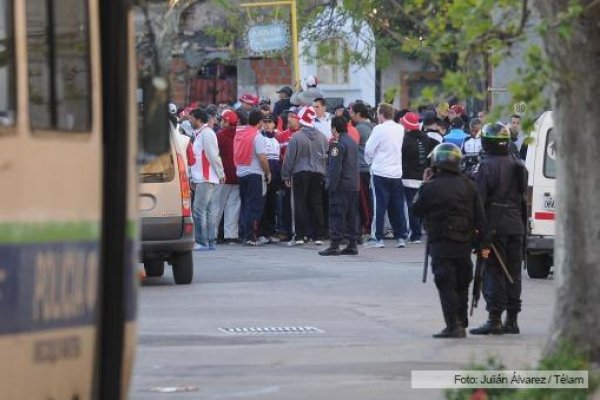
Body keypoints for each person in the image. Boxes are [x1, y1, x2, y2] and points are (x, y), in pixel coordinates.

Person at [410, 143, 486, 338]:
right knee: (461, 283)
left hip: (441, 243)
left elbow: (416, 209)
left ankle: (454, 325)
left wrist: (424, 184)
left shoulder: (431, 186)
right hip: (464, 243)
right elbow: (480, 216)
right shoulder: (469, 184)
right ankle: (460, 319)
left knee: (446, 284)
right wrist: (483, 242)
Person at [470, 123, 528, 336]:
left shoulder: (487, 165)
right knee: (513, 273)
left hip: (495, 226)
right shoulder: (517, 163)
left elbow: (479, 199)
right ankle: (512, 319)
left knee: (494, 271)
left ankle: (495, 318)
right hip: (516, 225)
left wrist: (479, 230)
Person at [281, 106, 329, 245]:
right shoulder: (322, 137)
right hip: (318, 173)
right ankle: (318, 235)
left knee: (299, 203)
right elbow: (325, 157)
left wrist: (285, 175)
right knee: (316, 204)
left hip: (300, 173)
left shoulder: (296, 137)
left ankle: (300, 235)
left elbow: (289, 158)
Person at [364, 103, 409, 249]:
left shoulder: (379, 128)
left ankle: (378, 238)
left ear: (381, 114)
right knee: (397, 206)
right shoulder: (400, 128)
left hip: (380, 171)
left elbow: (369, 149)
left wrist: (370, 162)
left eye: (378, 113)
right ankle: (400, 236)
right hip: (396, 172)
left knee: (379, 206)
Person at [319, 116, 360, 256]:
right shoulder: (352, 142)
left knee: (336, 214)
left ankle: (335, 244)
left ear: (334, 128)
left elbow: (335, 168)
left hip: (340, 185)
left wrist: (330, 184)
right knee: (351, 215)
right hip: (353, 184)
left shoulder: (337, 143)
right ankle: (352, 243)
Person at [189, 108, 226, 251]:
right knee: (209, 210)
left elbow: (213, 155)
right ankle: (210, 241)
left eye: (191, 118)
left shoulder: (207, 134)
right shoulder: (199, 134)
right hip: (202, 177)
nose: (189, 121)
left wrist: (220, 173)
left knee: (199, 210)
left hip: (206, 177)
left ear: (199, 119)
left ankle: (202, 241)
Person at [234, 110, 271, 246]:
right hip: (255, 173)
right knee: (254, 206)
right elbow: (262, 158)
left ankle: (244, 234)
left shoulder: (240, 133)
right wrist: (268, 173)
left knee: (245, 205)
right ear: (260, 122)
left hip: (241, 172)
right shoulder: (257, 136)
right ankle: (251, 236)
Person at [400, 112, 437, 244]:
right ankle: (418, 231)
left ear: (406, 126)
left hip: (408, 177)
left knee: (411, 206)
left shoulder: (404, 140)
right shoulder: (426, 138)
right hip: (423, 176)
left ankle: (415, 234)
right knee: (420, 203)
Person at [212, 109, 242, 244]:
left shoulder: (219, 135)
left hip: (222, 176)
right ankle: (231, 235)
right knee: (233, 207)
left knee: (216, 206)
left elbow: (215, 155)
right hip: (238, 174)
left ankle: (212, 234)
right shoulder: (240, 134)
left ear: (226, 121)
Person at [351, 102, 375, 237]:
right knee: (371, 199)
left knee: (364, 200)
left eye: (352, 112)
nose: (350, 115)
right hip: (372, 167)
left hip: (362, 167)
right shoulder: (374, 126)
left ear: (358, 114)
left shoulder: (359, 129)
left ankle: (367, 225)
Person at [258, 114, 282, 244]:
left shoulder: (276, 140)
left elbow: (277, 161)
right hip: (264, 175)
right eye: (265, 122)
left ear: (274, 124)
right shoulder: (260, 138)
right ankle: (262, 232)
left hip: (275, 176)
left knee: (272, 205)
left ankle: (271, 232)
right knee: (263, 204)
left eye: (270, 122)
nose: (267, 124)